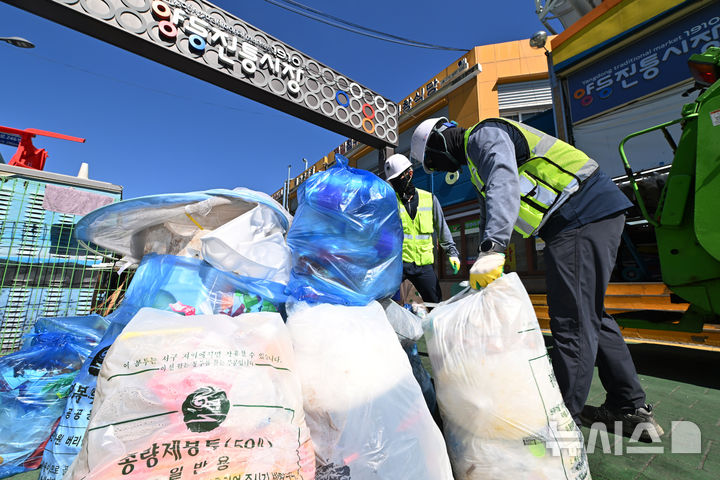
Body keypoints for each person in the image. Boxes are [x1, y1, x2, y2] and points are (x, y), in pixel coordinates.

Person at [410, 116, 663, 442]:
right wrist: (485, 262)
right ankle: (627, 407)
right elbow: (491, 207)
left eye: (433, 163)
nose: (442, 170)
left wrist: (494, 247)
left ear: (437, 145)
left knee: (572, 323)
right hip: (586, 214)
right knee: (590, 317)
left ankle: (557, 428)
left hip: (580, 213)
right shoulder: (476, 162)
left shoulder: (483, 135)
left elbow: (504, 183)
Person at [384, 153, 460, 304]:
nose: (396, 183)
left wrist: (452, 252)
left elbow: (441, 227)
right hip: (399, 264)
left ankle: (435, 327)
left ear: (409, 174)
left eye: (398, 179)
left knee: (435, 304)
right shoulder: (390, 203)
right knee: (383, 301)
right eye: (392, 181)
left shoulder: (430, 199)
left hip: (424, 264)